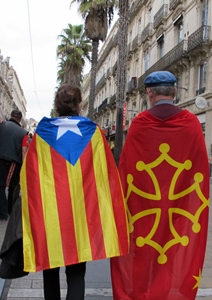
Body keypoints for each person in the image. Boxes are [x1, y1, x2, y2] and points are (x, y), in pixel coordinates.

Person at [19, 84, 129, 300]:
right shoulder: (94, 132)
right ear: (79, 104)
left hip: (50, 213)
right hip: (80, 215)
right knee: (77, 272)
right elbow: (106, 174)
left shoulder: (42, 131)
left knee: (50, 267)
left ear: (57, 106)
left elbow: (29, 174)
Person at [110, 71, 210, 299]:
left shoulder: (138, 125)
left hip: (144, 210)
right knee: (175, 252)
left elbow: (127, 173)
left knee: (144, 254)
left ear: (149, 93)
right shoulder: (192, 124)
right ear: (175, 92)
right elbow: (199, 171)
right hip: (180, 209)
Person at [0, 109, 29, 221]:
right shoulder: (23, 133)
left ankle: (2, 212)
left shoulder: (1, 126)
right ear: (20, 119)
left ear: (11, 116)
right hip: (13, 161)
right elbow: (24, 151)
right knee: (13, 186)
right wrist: (24, 167)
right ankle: (9, 209)